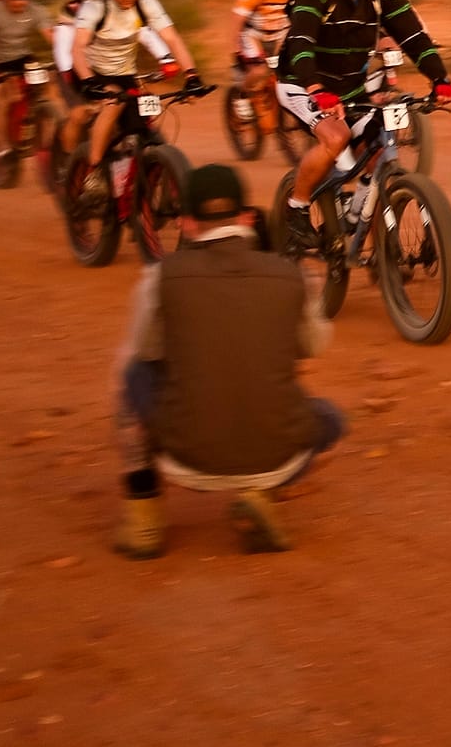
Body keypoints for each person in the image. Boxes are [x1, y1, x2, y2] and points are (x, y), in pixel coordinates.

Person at [112, 164, 346, 558]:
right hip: (279, 456)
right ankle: (260, 492)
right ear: (246, 217)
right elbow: (314, 344)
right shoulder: (291, 275)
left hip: (185, 457)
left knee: (134, 373)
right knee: (330, 419)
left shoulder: (161, 277)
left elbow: (147, 350)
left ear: (187, 223)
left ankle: (144, 516)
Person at [278, 0, 451, 253]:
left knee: (379, 153)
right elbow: (301, 40)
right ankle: (297, 209)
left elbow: (414, 36)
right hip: (301, 83)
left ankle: (378, 250)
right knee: (336, 137)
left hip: (351, 89)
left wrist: (440, 79)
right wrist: (316, 89)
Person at [64, 0, 202, 192]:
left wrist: (191, 75)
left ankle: (140, 168)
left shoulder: (146, 4)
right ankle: (94, 171)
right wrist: (88, 80)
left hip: (124, 73)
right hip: (89, 72)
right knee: (113, 104)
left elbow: (172, 38)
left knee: (143, 118)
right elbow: (77, 48)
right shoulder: (95, 7)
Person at [42, 0, 171, 106]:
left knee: (134, 102)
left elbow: (145, 34)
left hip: (115, 72)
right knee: (83, 111)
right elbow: (64, 53)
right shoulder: (66, 26)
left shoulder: (117, 14)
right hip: (77, 74)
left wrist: (165, 58)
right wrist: (73, 75)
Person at [231, 0, 299, 97]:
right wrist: (235, 46)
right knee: (259, 70)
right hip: (254, 35)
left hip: (281, 34)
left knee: (294, 68)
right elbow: (238, 18)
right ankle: (241, 95)